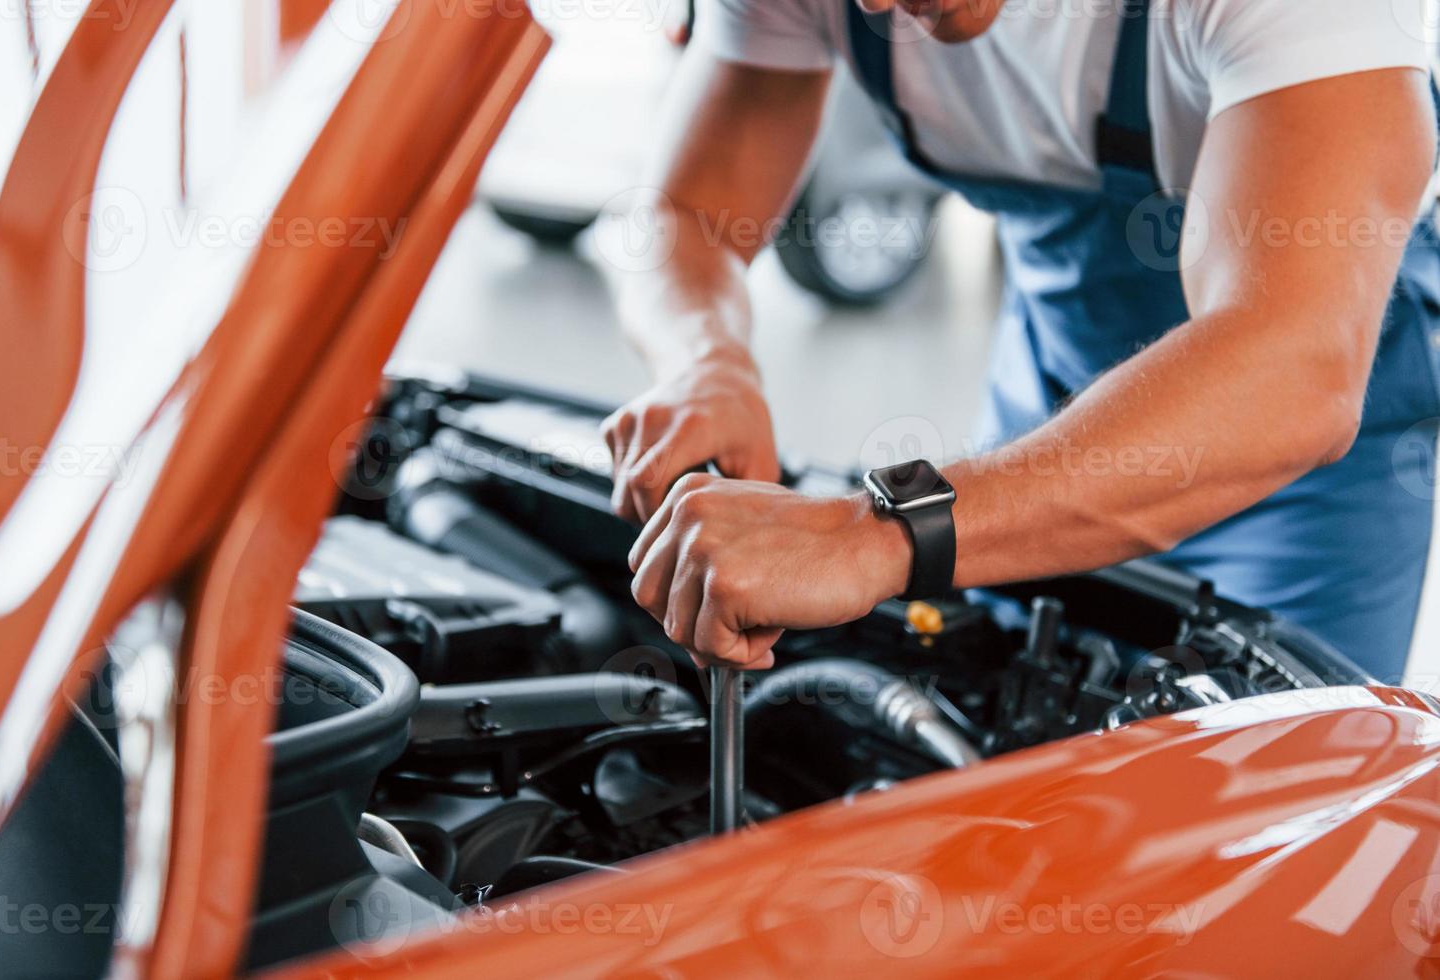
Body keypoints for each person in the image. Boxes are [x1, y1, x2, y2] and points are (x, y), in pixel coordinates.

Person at [603, 0, 1440, 681]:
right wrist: (704, 363)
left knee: (1258, 824)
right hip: (1052, 409)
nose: (878, 6)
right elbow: (687, 215)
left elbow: (1294, 368)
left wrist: (880, 532)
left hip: (1297, 470)